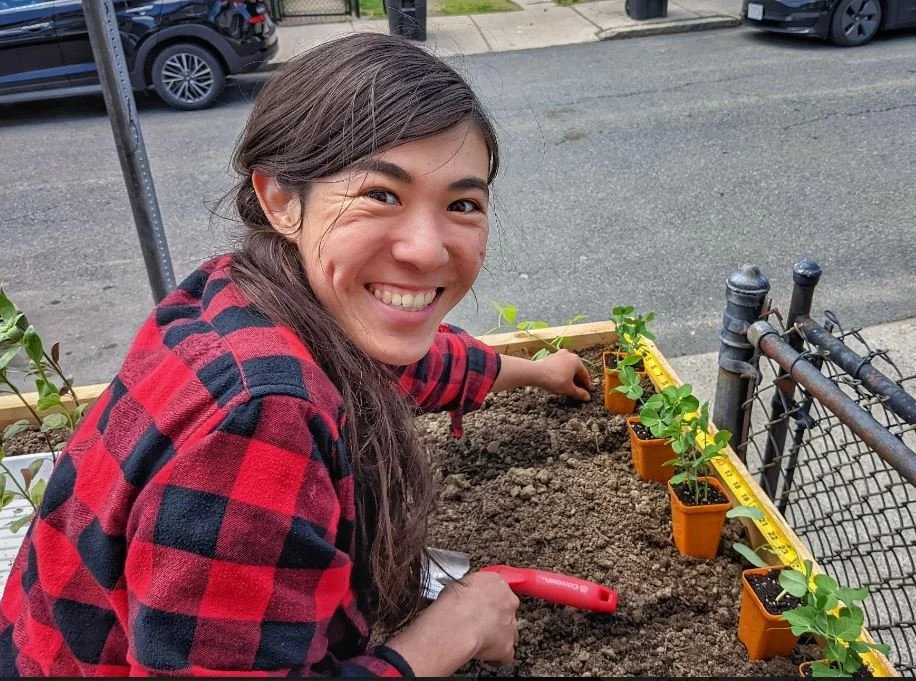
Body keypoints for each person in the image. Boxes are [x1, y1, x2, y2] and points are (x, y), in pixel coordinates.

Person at [0, 33, 592, 677]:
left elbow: (405, 364)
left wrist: (536, 370)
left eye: (462, 205)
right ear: (282, 199)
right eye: (381, 194)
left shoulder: (247, 292)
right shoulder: (263, 418)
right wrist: (451, 632)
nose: (426, 249)